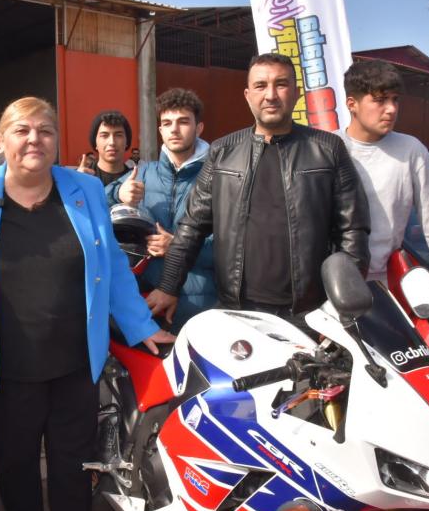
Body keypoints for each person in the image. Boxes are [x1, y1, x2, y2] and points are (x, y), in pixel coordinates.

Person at [0, 96, 174, 511]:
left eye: (45, 131)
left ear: (57, 140)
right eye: (21, 130)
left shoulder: (84, 189)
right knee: (16, 468)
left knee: (74, 469)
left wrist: (141, 326)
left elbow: (111, 265)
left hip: (75, 366)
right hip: (5, 370)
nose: (34, 139)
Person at [146, 53, 370, 325]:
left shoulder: (328, 149)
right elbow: (192, 227)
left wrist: (341, 305)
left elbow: (352, 230)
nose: (270, 95)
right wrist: (168, 286)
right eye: (261, 86)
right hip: (237, 311)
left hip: (310, 314)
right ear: (248, 95)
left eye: (281, 84)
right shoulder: (222, 152)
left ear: (297, 93)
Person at [336, 59, 429, 299]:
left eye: (395, 99)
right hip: (332, 286)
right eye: (380, 100)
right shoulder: (328, 148)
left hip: (388, 288)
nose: (391, 109)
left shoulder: (412, 150)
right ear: (352, 104)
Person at [106, 88, 216, 333]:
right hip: (144, 306)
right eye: (167, 123)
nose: (174, 130)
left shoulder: (219, 177)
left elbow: (230, 252)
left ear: (199, 128)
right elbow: (94, 203)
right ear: (160, 130)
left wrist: (177, 246)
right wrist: (119, 194)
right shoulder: (143, 172)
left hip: (198, 308)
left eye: (183, 122)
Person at [77, 110, 133, 186]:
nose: (112, 142)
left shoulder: (136, 179)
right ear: (95, 142)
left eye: (118, 135)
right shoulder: (81, 177)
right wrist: (76, 185)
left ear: (127, 142)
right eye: (104, 135)